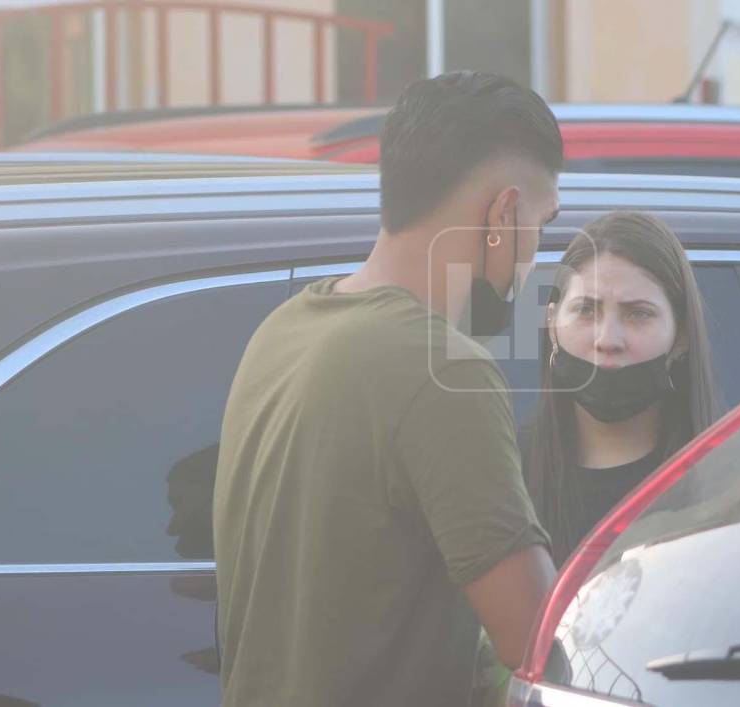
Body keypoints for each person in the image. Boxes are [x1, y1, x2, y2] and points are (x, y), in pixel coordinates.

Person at [212, 71, 562, 707]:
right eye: (541, 222)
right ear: (503, 214)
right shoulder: (444, 368)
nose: (535, 253)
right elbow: (537, 642)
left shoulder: (284, 328)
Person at [525, 211, 720, 565]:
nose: (608, 339)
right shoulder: (504, 478)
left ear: (681, 336)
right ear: (552, 323)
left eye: (638, 313)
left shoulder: (734, 481)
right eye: (586, 310)